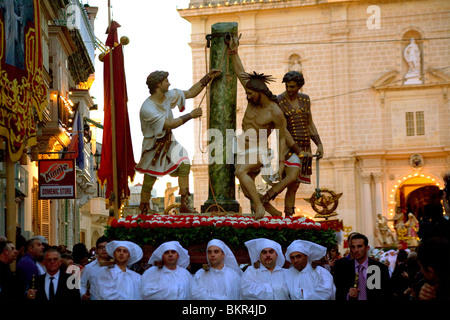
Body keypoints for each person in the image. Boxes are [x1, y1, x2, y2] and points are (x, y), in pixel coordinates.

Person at [135, 68, 221, 214]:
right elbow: (170, 124)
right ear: (158, 85)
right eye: (166, 81)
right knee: (150, 177)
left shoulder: (168, 95)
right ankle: (144, 207)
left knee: (185, 163)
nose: (169, 84)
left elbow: (190, 93)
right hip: (153, 145)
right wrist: (191, 115)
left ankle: (184, 203)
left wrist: (207, 77)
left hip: (169, 141)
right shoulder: (147, 108)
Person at [227, 33, 287, 219]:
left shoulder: (274, 112)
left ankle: (259, 209)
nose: (248, 97)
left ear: (260, 92)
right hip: (242, 147)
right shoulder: (251, 97)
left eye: (251, 94)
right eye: (248, 93)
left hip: (259, 149)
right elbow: (240, 72)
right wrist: (234, 51)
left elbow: (282, 136)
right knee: (247, 191)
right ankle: (273, 211)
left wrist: (281, 164)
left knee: (240, 171)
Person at [261, 70, 324, 217]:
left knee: (294, 185)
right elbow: (283, 129)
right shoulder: (279, 101)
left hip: (305, 145)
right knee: (292, 174)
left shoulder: (305, 100)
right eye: (287, 86)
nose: (289, 90)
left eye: (292, 87)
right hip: (288, 146)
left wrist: (319, 144)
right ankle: (266, 198)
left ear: (300, 86)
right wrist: (297, 150)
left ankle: (289, 217)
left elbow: (310, 123)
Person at [333, 232, 393, 300]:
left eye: (359, 246)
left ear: (367, 248)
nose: (356, 250)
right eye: (353, 247)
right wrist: (348, 295)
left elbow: (387, 295)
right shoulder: (343, 269)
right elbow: (338, 293)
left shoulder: (380, 268)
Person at [80, 236, 111, 300]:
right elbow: (82, 284)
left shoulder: (115, 266)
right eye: (101, 247)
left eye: (106, 247)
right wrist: (83, 294)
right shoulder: (89, 267)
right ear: (96, 250)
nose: (104, 249)